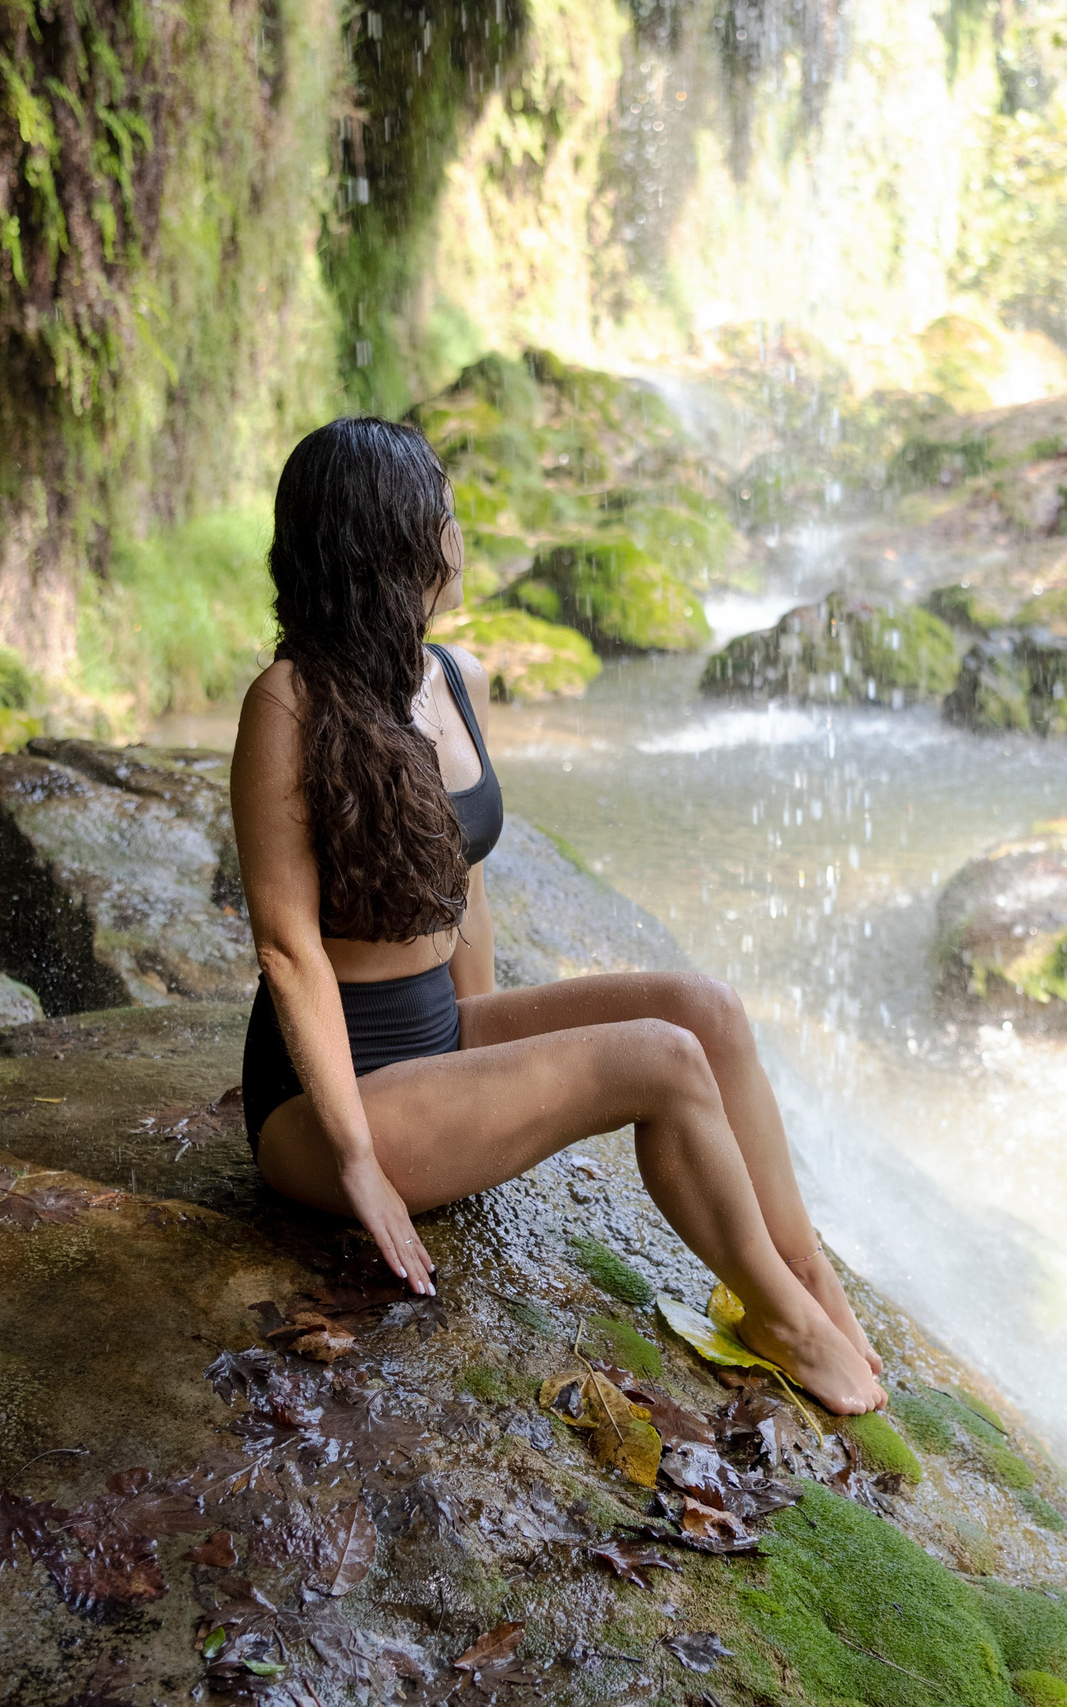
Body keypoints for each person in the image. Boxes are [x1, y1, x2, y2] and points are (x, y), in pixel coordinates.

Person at [229, 417, 885, 1415]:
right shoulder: (286, 703)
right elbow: (287, 947)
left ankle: (803, 1274)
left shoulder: (456, 679)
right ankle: (782, 1325)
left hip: (434, 1043)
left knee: (705, 1009)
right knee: (659, 1059)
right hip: (326, 1102)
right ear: (385, 542)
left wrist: (490, 1068)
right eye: (440, 513)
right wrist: (357, 1158)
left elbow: (465, 879)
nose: (457, 535)